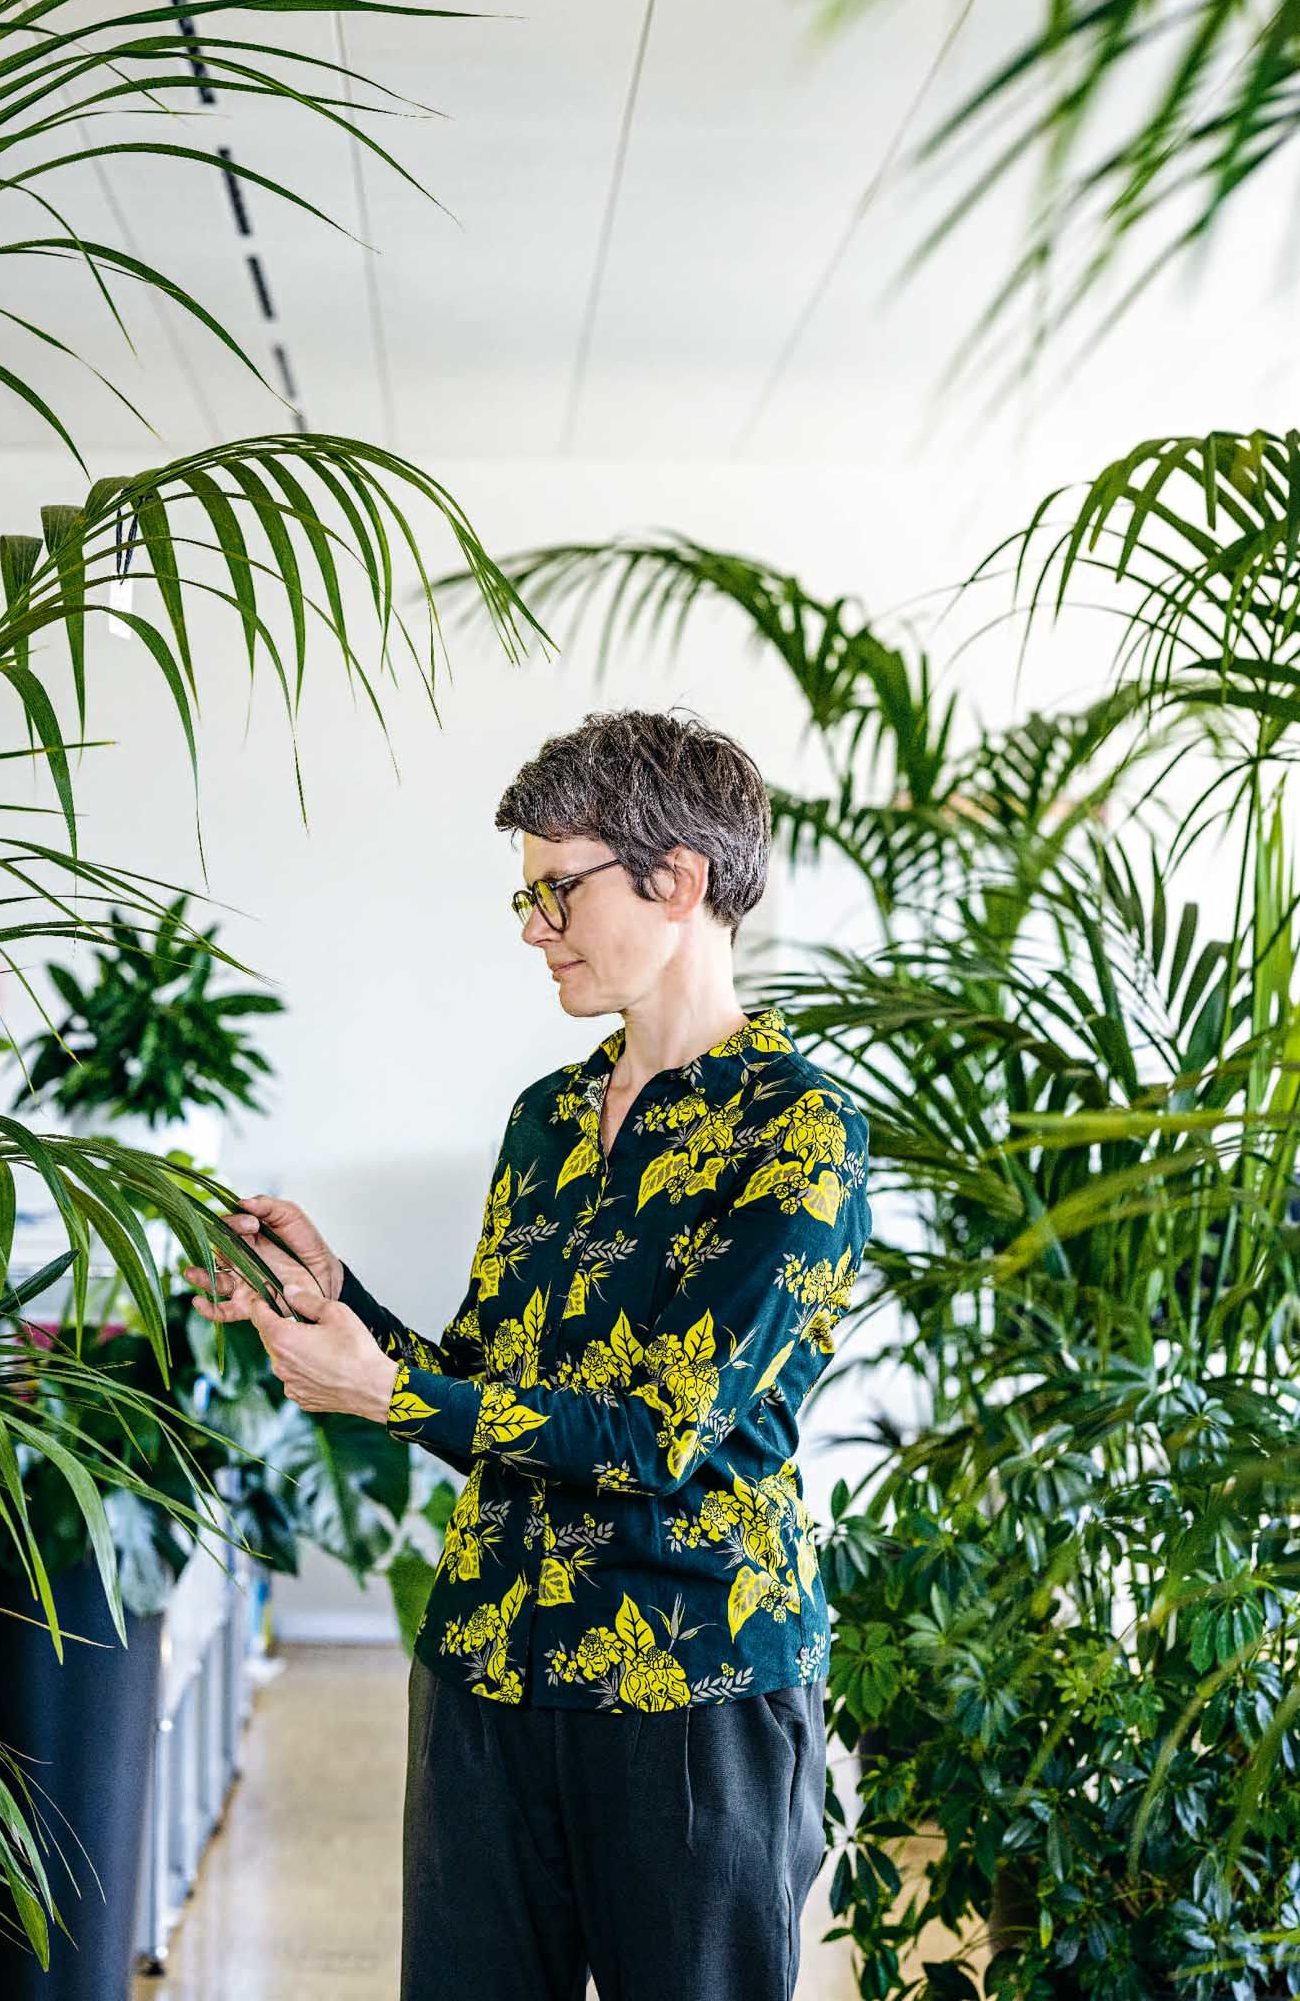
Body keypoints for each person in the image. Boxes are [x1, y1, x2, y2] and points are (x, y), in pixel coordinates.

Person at [188, 706, 872, 2001]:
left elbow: (656, 1440)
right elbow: (492, 1386)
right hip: (487, 1668)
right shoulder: (548, 1117)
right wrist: (341, 1304)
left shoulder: (799, 1139)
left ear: (674, 881)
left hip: (691, 1687)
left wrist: (386, 1388)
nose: (531, 928)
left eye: (556, 892)